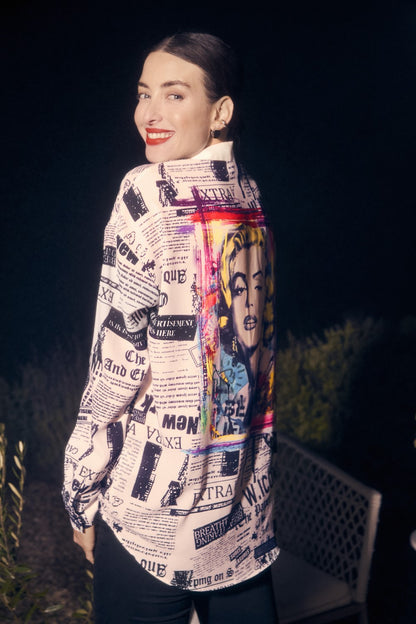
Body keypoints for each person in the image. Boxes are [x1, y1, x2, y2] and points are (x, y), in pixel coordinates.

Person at [62, 31, 279, 624]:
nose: (149, 114)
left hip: (151, 524)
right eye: (144, 94)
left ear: (221, 111)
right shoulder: (250, 195)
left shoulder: (146, 191)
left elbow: (115, 366)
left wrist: (80, 492)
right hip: (242, 523)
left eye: (174, 95)